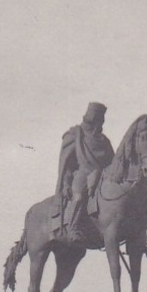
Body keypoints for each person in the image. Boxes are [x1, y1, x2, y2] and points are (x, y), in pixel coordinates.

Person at [55, 102, 114, 244]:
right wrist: (66, 184)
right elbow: (66, 164)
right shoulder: (75, 134)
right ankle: (73, 228)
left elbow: (112, 162)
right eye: (94, 118)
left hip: (102, 176)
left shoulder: (104, 140)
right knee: (79, 197)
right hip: (82, 173)